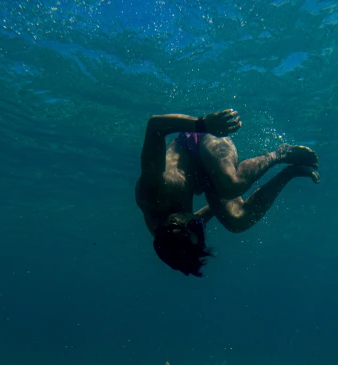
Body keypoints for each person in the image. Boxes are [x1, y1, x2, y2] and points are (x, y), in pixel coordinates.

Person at [136, 109, 320, 277]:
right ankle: (291, 173)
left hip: (198, 140)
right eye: (197, 226)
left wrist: (202, 124)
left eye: (192, 225)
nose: (196, 221)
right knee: (237, 221)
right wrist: (221, 209)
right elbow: (194, 219)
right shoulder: (173, 235)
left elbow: (155, 125)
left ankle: (280, 154)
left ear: (171, 226)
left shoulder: (152, 190)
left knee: (231, 185)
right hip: (205, 178)